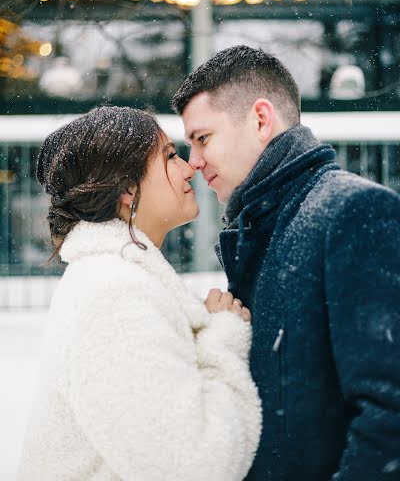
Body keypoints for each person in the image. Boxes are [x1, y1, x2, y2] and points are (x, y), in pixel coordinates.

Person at [172, 45, 400, 481]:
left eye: (203, 139)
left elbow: (389, 414)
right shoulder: (263, 229)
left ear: (260, 119)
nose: (195, 161)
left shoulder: (351, 211)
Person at [18, 106, 262, 481]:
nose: (188, 167)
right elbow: (195, 466)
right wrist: (223, 338)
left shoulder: (113, 279)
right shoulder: (113, 295)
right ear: (127, 188)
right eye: (169, 157)